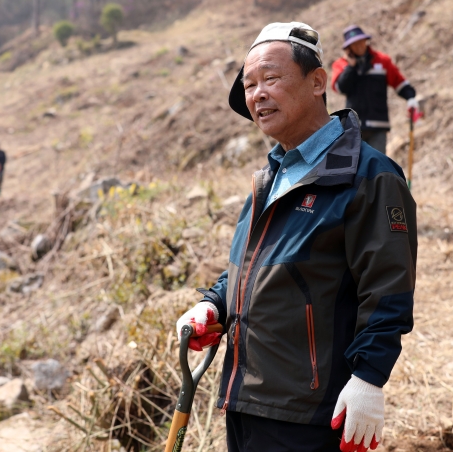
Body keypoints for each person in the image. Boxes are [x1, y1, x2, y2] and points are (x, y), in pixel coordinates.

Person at [175, 22, 417, 452]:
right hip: (245, 401)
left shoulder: (368, 176)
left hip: (309, 413)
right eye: (249, 85)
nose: (257, 94)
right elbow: (255, 266)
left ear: (317, 82)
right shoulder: (270, 177)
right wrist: (213, 304)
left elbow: (388, 290)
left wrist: (368, 378)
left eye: (270, 78)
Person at [331, 25, 419, 155]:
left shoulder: (382, 61)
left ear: (366, 41)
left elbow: (399, 82)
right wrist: (351, 67)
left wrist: (410, 97)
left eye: (361, 42)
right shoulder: (341, 64)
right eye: (354, 44)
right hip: (354, 128)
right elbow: (340, 88)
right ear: (348, 48)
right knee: (356, 166)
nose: (359, 46)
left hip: (378, 126)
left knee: (377, 164)